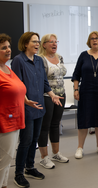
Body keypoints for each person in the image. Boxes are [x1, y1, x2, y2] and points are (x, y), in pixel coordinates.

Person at [11, 32, 63, 188]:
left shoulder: (39, 60)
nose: (37, 44)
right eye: (34, 41)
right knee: (25, 141)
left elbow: (45, 82)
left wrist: (52, 95)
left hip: (40, 105)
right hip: (26, 107)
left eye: (38, 41)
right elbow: (17, 85)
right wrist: (26, 100)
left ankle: (30, 167)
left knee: (34, 140)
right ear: (25, 43)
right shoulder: (18, 61)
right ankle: (18, 173)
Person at [72, 31, 98, 158]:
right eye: (92, 39)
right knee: (84, 118)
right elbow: (76, 74)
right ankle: (80, 148)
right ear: (89, 41)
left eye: (96, 38)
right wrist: (75, 89)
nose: (94, 40)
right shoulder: (83, 55)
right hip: (86, 92)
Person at [37, 34, 68, 169]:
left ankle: (56, 153)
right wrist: (50, 93)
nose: (54, 44)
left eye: (56, 42)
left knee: (55, 124)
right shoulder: (40, 59)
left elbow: (62, 73)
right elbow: (41, 79)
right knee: (45, 126)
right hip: (47, 96)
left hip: (61, 94)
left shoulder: (59, 57)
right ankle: (44, 157)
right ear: (44, 44)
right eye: (51, 42)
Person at [0, 34, 26, 188]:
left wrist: (27, 100)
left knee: (6, 160)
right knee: (4, 160)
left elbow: (17, 89)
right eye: (3, 48)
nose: (8, 50)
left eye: (9, 46)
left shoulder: (7, 68)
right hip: (4, 121)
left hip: (15, 118)